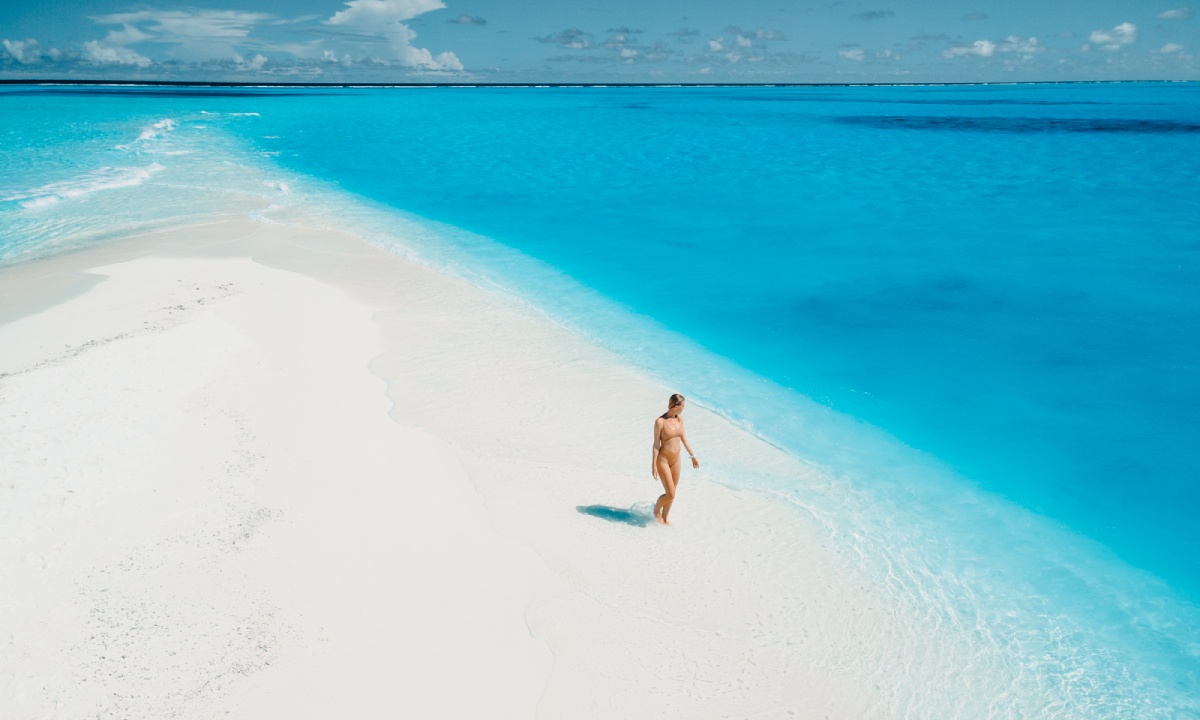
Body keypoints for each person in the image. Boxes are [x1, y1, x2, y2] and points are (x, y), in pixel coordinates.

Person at [652, 393, 699, 525]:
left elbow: (684, 438)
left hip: (676, 460)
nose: (684, 408)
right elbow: (656, 444)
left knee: (673, 492)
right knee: (670, 494)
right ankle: (656, 510)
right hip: (663, 460)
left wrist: (693, 457)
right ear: (677, 406)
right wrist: (653, 465)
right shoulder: (660, 422)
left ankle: (665, 519)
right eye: (683, 406)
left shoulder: (679, 418)